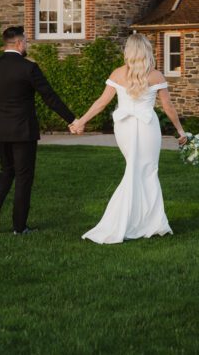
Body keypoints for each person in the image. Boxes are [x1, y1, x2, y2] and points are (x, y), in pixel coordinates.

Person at [71, 33, 188, 244]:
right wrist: (180, 131)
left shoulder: (117, 74)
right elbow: (168, 107)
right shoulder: (156, 76)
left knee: (134, 169)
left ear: (128, 52)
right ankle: (146, 223)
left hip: (123, 126)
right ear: (146, 51)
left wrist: (81, 121)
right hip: (147, 127)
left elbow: (101, 102)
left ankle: (140, 221)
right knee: (147, 171)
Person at [0, 26, 76, 235]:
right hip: (23, 131)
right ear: (18, 43)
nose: (26, 45)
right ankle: (19, 227)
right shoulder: (28, 68)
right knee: (24, 177)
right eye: (25, 41)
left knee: (6, 171)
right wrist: (71, 119)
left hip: (0, 130)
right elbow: (49, 97)